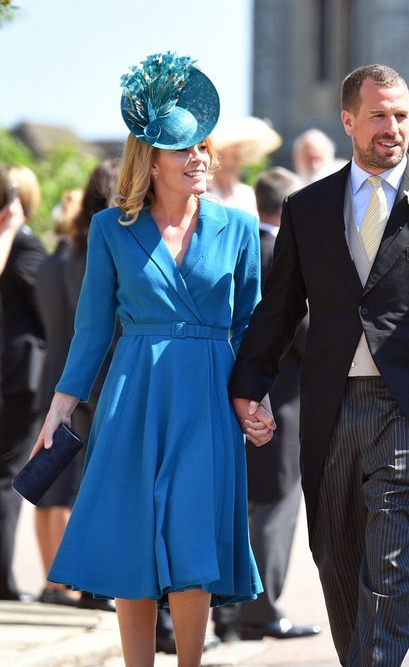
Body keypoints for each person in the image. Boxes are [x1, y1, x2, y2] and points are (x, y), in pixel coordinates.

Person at [228, 63, 409, 666]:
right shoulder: (307, 209)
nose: (392, 127)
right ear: (349, 120)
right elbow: (277, 311)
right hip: (327, 408)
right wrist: (249, 386)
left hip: (408, 411)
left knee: (386, 560)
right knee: (336, 554)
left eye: (401, 115)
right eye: (379, 114)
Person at [31, 53, 264, 665]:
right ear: (151, 158)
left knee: (192, 540)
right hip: (133, 394)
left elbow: (251, 327)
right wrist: (60, 408)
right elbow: (90, 329)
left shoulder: (239, 228)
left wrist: (254, 398)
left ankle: (189, 662)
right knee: (132, 539)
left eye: (203, 148)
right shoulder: (111, 229)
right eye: (182, 149)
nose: (198, 159)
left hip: (210, 393)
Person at [212, 167, 321, 643]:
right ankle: (260, 608)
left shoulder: (240, 243)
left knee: (241, 505)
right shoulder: (282, 252)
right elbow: (300, 330)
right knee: (275, 507)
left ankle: (231, 611)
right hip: (282, 395)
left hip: (231, 390)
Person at [31, 161, 117, 612]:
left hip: (62, 376)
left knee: (56, 485)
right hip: (97, 380)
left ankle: (58, 581)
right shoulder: (97, 252)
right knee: (87, 487)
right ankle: (81, 583)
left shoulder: (60, 256)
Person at [0, 164, 47, 605]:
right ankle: (4, 584)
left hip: (11, 377)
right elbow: (47, 309)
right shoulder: (27, 245)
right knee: (8, 481)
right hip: (18, 379)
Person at [208, 116, 283, 218]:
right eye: (223, 157)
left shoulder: (248, 194)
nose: (229, 163)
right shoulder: (205, 194)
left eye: (235, 157)